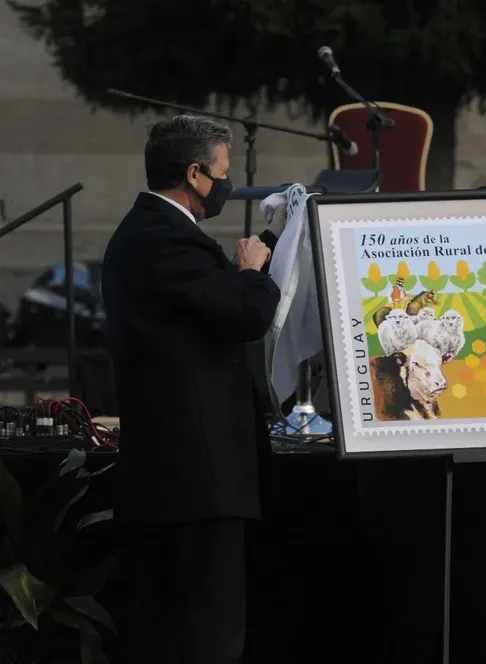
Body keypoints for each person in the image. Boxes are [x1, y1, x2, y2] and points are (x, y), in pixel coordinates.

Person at [102, 115, 284, 664]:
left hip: (177, 475)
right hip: (196, 477)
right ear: (195, 173)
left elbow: (204, 310)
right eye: (222, 172)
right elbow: (246, 314)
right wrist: (252, 273)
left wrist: (252, 259)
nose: (227, 184)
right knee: (208, 632)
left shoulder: (150, 233)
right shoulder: (167, 239)